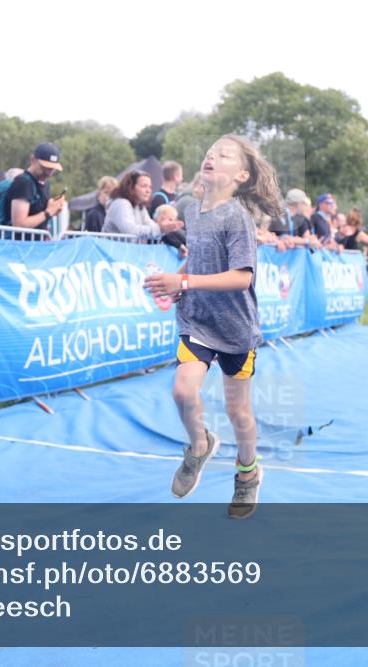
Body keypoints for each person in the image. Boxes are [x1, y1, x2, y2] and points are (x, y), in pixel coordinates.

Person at [144, 134, 281, 519]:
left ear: (240, 174)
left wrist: (184, 283)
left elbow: (240, 278)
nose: (211, 158)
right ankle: (199, 446)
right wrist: (176, 278)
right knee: (182, 392)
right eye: (208, 153)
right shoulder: (193, 210)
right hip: (197, 321)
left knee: (239, 413)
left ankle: (248, 474)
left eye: (223, 155)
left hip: (236, 329)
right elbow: (200, 261)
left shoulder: (238, 217)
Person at [3, 142, 66, 235]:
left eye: (52, 169)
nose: (49, 173)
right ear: (33, 160)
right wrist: (48, 212)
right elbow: (19, 224)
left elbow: (38, 216)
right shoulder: (23, 182)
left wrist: (53, 209)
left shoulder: (45, 183)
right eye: (45, 167)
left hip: (35, 245)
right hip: (18, 246)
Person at [102, 171, 182, 238]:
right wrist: (160, 228)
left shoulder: (139, 206)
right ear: (131, 187)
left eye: (150, 187)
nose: (148, 190)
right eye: (144, 186)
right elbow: (131, 230)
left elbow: (151, 225)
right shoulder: (121, 204)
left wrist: (167, 229)